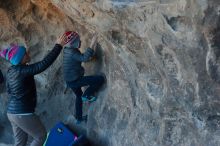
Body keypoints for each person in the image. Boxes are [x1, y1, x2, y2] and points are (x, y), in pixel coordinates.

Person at [0, 34, 67, 146]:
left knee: (20, 143)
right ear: (20, 58)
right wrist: (58, 46)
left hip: (12, 112)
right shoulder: (22, 71)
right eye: (25, 53)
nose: (28, 54)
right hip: (22, 112)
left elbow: (9, 90)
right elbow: (42, 65)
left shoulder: (11, 71)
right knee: (41, 136)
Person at [63, 31, 105, 124]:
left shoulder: (67, 50)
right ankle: (87, 94)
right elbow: (84, 58)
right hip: (75, 80)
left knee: (78, 96)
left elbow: (80, 58)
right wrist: (93, 42)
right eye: (78, 40)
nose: (80, 42)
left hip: (69, 81)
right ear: (74, 43)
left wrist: (90, 54)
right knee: (99, 79)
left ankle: (79, 118)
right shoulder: (73, 52)